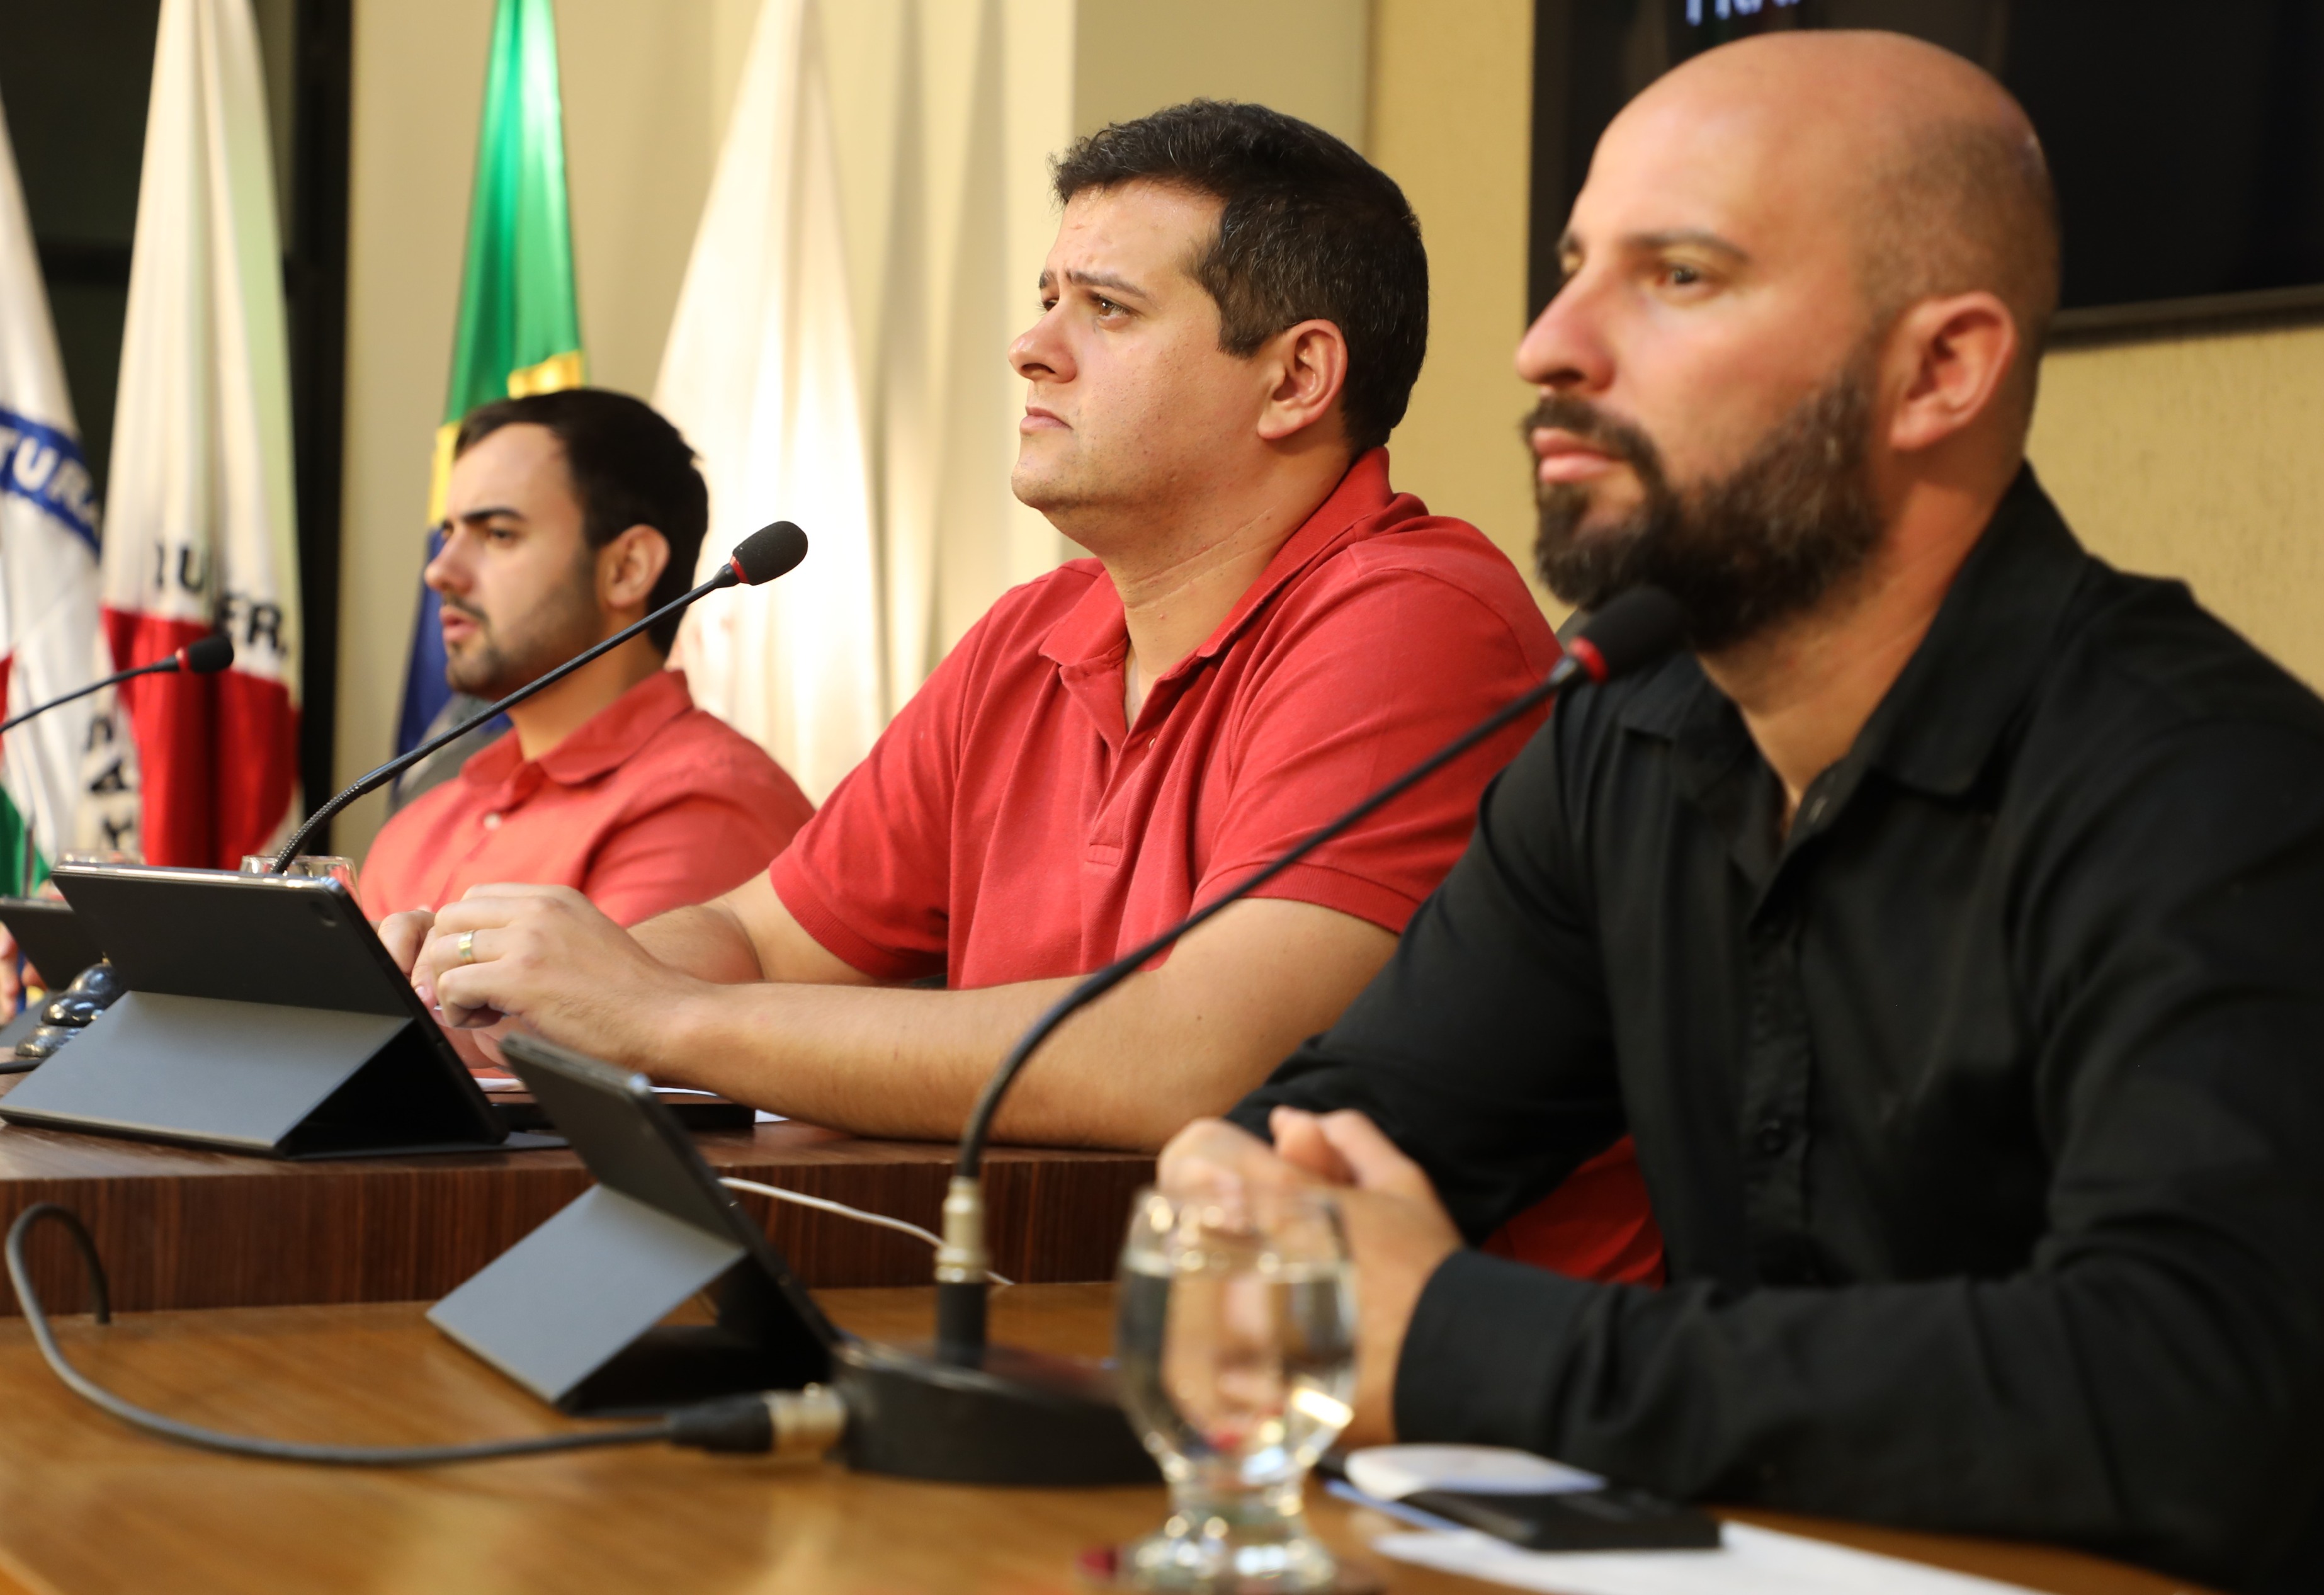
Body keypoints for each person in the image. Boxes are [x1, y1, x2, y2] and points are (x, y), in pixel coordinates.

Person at [1161, 31, 2324, 1595]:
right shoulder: (1617, 743)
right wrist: (1240, 1203)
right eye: (1571, 268)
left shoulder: (2221, 796)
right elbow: (1324, 1137)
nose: (1548, 343)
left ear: (1938, 372)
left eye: (1678, 276)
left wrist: (1461, 1339)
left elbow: (2174, 1400)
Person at [382, 104, 1599, 1176]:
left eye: (1107, 309)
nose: (1032, 348)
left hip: (1407, 1404)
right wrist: (521, 992)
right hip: (1063, 1305)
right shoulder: (1034, 631)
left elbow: (1194, 1060)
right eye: (1046, 299)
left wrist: (657, 1019)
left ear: (1295, 379)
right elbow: (761, 936)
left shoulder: (1411, 617)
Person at [362, 390, 813, 1064]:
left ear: (626, 567)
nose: (440, 571)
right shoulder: (425, 816)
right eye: (449, 532)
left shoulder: (707, 804)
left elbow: (588, 1060)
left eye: (498, 534)